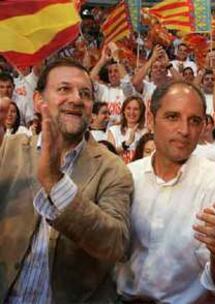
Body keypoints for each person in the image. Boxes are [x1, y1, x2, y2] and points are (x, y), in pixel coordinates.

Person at [0, 58, 133, 303]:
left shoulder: (113, 169)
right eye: (64, 89)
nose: (76, 99)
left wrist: (55, 182)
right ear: (38, 100)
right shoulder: (8, 150)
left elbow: (115, 244)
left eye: (85, 93)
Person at [116, 80, 215, 303]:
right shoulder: (127, 177)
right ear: (150, 119)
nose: (184, 130)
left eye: (194, 121)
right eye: (172, 117)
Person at [107, 95, 147, 163]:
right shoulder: (113, 130)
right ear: (123, 111)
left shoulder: (145, 132)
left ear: (141, 112)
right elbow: (109, 153)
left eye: (136, 109)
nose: (132, 112)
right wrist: (127, 143)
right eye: (128, 108)